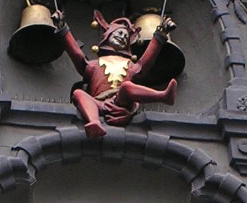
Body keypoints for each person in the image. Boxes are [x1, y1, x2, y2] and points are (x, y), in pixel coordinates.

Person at [53, 10, 177, 138]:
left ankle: (163, 96)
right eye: (119, 33)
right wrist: (62, 28)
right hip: (98, 102)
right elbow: (76, 54)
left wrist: (161, 34)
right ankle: (94, 122)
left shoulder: (130, 66)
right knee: (78, 93)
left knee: (126, 87)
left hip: (120, 101)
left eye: (126, 37)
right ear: (108, 35)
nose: (122, 37)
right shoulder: (94, 65)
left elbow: (146, 61)